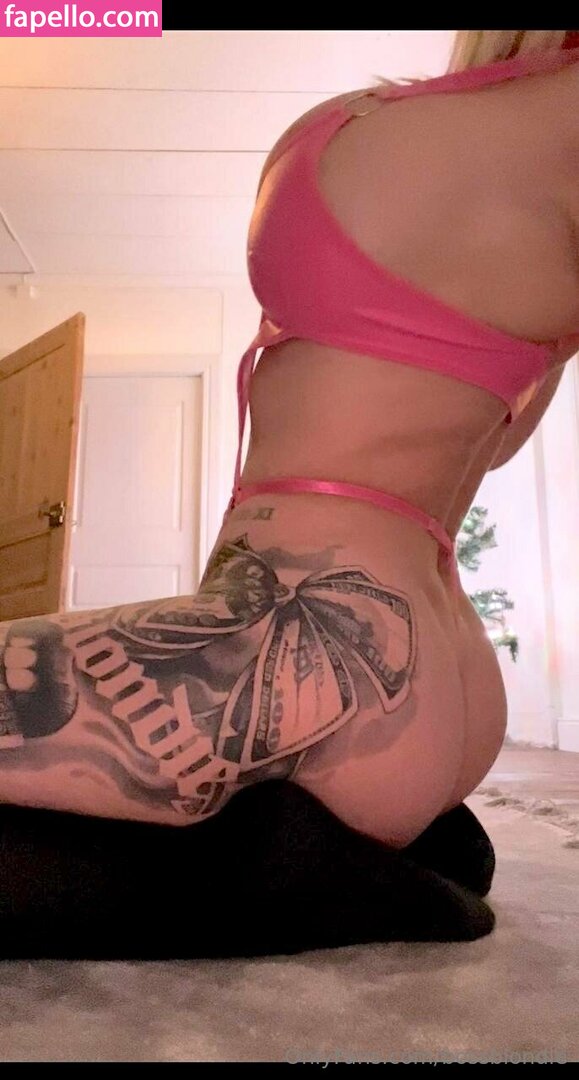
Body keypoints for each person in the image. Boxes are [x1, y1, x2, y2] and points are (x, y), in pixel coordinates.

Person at [0, 29, 578, 958]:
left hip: (306, 650)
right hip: (405, 665)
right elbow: (494, 437)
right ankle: (349, 856)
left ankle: (304, 867)